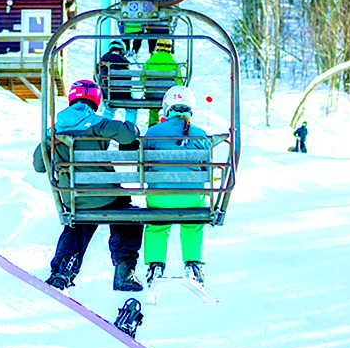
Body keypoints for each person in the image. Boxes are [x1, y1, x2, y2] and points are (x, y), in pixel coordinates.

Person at [33, 79, 145, 293]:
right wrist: (132, 126)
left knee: (78, 221)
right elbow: (129, 134)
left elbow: (39, 165)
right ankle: (124, 271)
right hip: (107, 196)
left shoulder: (54, 131)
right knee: (129, 215)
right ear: (95, 100)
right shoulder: (98, 123)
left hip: (74, 199)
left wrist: (49, 139)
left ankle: (63, 269)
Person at [142, 86, 215, 288]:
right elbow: (207, 168)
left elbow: (145, 164)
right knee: (193, 223)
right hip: (192, 198)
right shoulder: (200, 134)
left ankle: (155, 266)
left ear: (167, 108)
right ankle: (193, 265)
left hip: (159, 197)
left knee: (157, 225)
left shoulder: (153, 132)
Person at [142, 38, 183, 126]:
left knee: (153, 110)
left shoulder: (149, 62)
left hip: (152, 95)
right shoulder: (174, 64)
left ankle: (152, 127)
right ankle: (168, 127)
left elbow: (143, 79)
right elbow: (179, 82)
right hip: (168, 95)